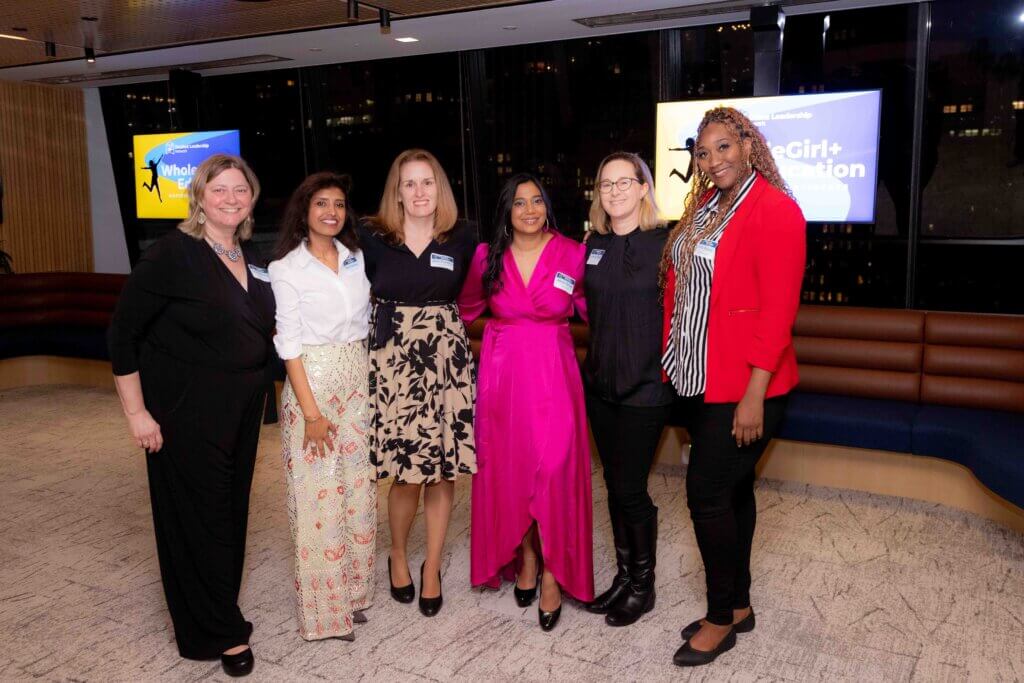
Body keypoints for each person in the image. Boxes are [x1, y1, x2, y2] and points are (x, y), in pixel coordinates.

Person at [107, 154, 274, 678]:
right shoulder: (173, 255)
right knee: (200, 520)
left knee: (229, 512)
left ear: (251, 199)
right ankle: (220, 631)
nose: (230, 198)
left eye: (239, 190)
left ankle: (217, 607)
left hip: (243, 411)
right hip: (187, 412)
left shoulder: (248, 255)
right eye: (219, 190)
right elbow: (121, 335)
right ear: (199, 197)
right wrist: (136, 413)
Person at [660, 107, 805, 667]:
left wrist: (753, 393)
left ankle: (719, 618)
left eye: (724, 147)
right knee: (734, 492)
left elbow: (777, 312)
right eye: (703, 151)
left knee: (705, 493)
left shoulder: (777, 211)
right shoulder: (704, 208)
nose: (713, 159)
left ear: (748, 146)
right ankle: (739, 604)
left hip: (747, 386)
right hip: (697, 377)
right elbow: (681, 285)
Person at [459, 173, 593, 631]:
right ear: (507, 212)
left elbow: (599, 307)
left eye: (537, 200)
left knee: (553, 470)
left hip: (555, 377)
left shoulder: (573, 253)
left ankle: (554, 574)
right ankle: (529, 559)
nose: (530, 210)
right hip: (504, 382)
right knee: (514, 475)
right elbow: (463, 309)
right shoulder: (486, 256)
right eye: (520, 203)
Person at [358, 149, 477, 618]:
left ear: (439, 188)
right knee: (406, 472)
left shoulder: (462, 236)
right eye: (410, 183)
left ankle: (432, 567)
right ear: (398, 192)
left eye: (428, 182)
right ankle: (397, 554)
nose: (420, 191)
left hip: (446, 360)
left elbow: (479, 293)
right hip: (394, 362)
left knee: (442, 469)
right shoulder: (372, 237)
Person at [268, 171, 375, 642]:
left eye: (338, 204)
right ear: (304, 213)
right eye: (321, 205)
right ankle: (326, 615)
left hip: (356, 382)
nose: (331, 212)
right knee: (318, 497)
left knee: (356, 490)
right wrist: (310, 414)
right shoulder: (287, 269)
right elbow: (288, 345)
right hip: (312, 384)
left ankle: (352, 594)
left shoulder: (355, 259)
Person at [581, 152, 674, 627]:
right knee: (615, 486)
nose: (615, 191)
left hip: (647, 387)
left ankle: (643, 585)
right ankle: (623, 577)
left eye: (624, 182)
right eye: (606, 184)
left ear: (643, 187)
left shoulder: (667, 242)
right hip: (600, 388)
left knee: (631, 489)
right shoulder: (592, 245)